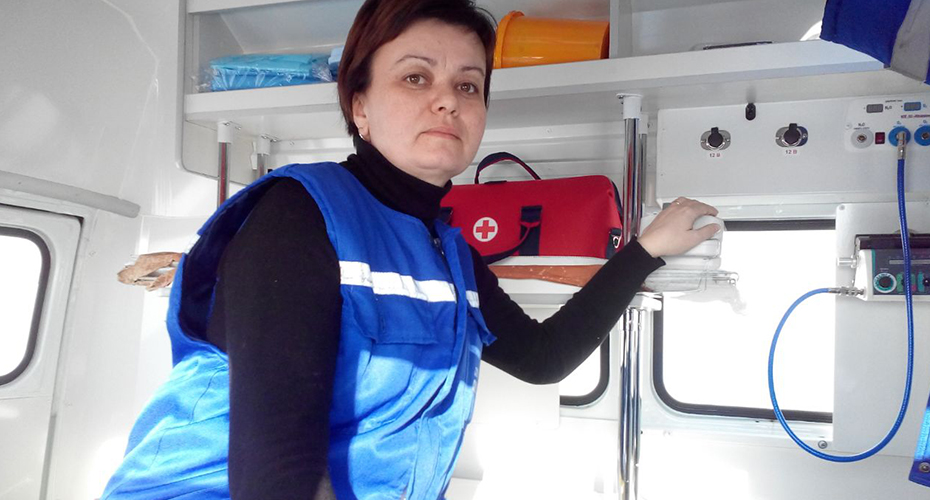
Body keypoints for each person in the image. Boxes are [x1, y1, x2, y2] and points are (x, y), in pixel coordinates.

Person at [101, 0, 719, 499]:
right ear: (360, 106)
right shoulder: (296, 213)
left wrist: (645, 250)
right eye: (415, 77)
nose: (448, 99)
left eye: (468, 85)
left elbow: (542, 358)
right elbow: (278, 476)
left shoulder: (448, 252)